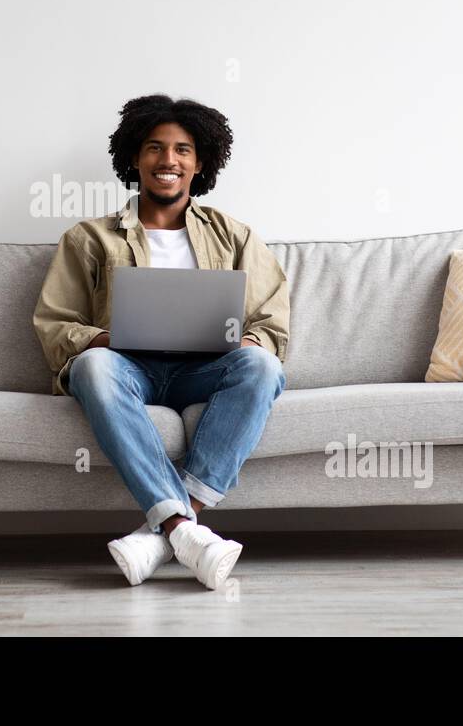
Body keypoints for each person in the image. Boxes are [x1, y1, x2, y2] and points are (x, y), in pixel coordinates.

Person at [32, 94, 290, 590]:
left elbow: (271, 319)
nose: (167, 160)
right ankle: (185, 530)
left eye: (182, 150)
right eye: (154, 147)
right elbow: (54, 324)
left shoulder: (235, 236)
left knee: (263, 367)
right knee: (91, 366)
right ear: (134, 157)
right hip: (131, 372)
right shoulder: (89, 238)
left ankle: (165, 529)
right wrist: (108, 337)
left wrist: (250, 341)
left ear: (200, 163)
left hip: (204, 372)